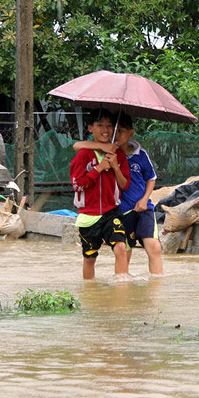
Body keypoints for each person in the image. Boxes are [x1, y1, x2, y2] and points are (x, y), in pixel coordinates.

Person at [73, 113, 162, 275]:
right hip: (115, 210)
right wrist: (101, 165)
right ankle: (117, 289)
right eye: (114, 130)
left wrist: (144, 198)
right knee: (109, 253)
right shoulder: (95, 153)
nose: (114, 133)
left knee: (148, 247)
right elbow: (77, 148)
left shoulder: (133, 155)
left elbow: (145, 179)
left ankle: (150, 289)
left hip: (130, 209)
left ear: (131, 132)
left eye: (118, 130)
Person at [69, 112, 130, 280]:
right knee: (90, 257)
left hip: (112, 211)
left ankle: (122, 291)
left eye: (109, 125)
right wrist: (99, 169)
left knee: (120, 247)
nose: (106, 130)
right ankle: (89, 294)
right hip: (88, 215)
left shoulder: (119, 155)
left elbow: (124, 185)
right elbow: (77, 185)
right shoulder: (82, 155)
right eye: (100, 125)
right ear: (90, 128)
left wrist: (116, 167)